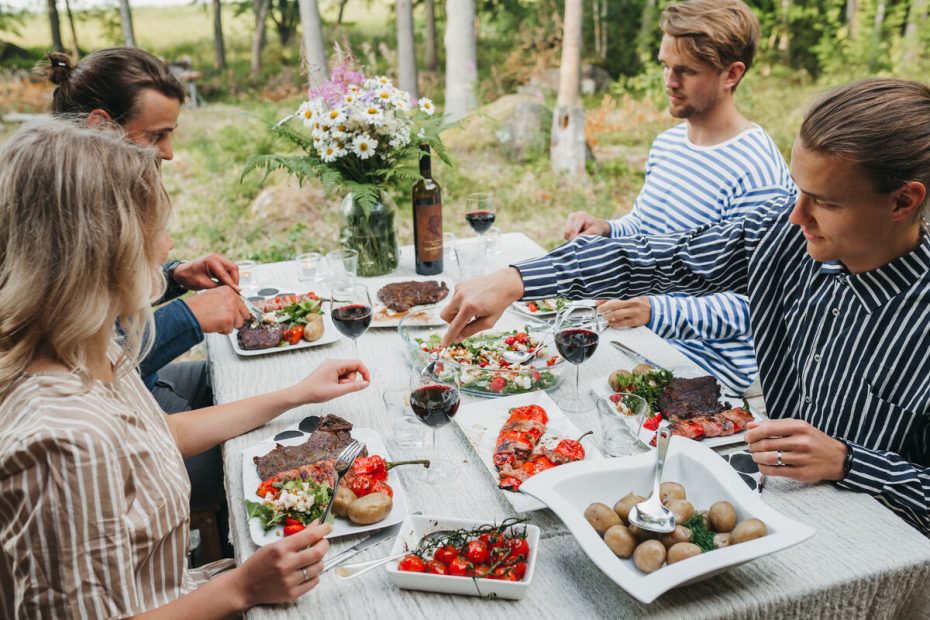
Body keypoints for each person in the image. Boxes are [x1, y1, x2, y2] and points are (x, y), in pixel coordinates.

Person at [441, 78, 930, 536]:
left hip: (886, 545)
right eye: (799, 190)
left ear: (903, 201)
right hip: (775, 509)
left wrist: (850, 462)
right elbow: (658, 256)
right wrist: (517, 279)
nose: (796, 214)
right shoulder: (784, 232)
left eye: (824, 202)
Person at [0, 118, 372, 616]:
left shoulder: (84, 347)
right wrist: (242, 588)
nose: (169, 249)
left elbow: (162, 434)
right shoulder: (65, 442)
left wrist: (296, 394)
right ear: (103, 251)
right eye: (156, 231)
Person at [562, 0, 795, 394]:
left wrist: (657, 310)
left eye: (685, 71)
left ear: (731, 73)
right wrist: (607, 230)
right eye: (665, 66)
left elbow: (760, 306)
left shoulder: (757, 172)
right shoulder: (668, 144)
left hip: (709, 368)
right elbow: (646, 227)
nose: (669, 81)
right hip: (645, 335)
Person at [46, 47, 251, 415]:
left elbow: (110, 307)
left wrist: (174, 278)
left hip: (147, 381)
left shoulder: (106, 189)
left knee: (259, 381)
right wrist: (190, 318)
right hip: (119, 412)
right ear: (101, 126)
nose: (169, 153)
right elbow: (82, 362)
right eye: (156, 136)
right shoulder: (58, 216)